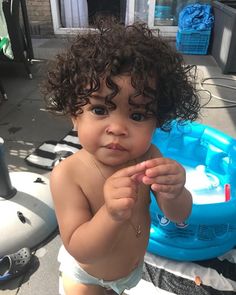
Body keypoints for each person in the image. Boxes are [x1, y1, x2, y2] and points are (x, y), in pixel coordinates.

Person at [44, 20, 200, 295]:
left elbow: (178, 215)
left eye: (137, 115)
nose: (117, 128)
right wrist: (111, 214)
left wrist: (175, 191)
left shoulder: (149, 156)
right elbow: (79, 246)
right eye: (100, 110)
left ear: (157, 122)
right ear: (74, 114)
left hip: (131, 271)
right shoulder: (68, 175)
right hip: (88, 276)